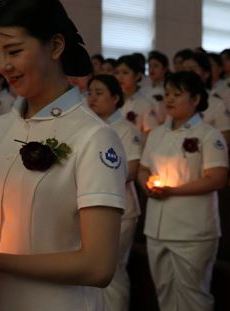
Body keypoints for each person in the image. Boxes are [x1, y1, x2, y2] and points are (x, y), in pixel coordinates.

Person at [0, 0, 126, 311]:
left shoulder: (94, 137)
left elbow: (98, 266)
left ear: (55, 46)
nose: (3, 65)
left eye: (13, 51)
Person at [137, 71, 229, 311]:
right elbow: (143, 170)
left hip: (192, 229)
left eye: (177, 94)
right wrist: (147, 186)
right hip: (157, 226)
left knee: (193, 294)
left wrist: (173, 190)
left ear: (196, 99)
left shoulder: (209, 135)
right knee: (164, 289)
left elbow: (217, 179)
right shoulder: (157, 133)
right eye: (167, 94)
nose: (169, 99)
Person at [87, 74, 142, 311]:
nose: (92, 98)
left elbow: (131, 170)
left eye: (99, 93)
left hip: (121, 208)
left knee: (113, 269)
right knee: (93, 270)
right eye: (90, 93)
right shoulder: (88, 127)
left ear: (115, 98)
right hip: (91, 206)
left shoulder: (127, 130)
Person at [182, 52, 230, 150]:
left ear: (206, 74)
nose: (187, 74)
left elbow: (227, 142)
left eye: (192, 69)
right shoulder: (177, 104)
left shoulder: (217, 104)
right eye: (184, 70)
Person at [115, 54, 159, 139]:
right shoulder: (113, 101)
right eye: (117, 73)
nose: (119, 77)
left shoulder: (146, 104)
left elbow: (151, 134)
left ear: (137, 76)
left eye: (125, 73)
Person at [146, 50, 170, 123]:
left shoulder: (167, 89)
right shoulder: (144, 89)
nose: (151, 69)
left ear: (165, 69)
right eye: (150, 66)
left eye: (156, 66)